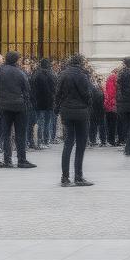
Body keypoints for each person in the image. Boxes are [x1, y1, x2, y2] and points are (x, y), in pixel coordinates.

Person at [0, 51, 35, 169]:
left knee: (1, 132)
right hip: (19, 106)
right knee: (20, 134)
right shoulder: (20, 72)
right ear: (16, 60)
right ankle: (21, 160)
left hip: (2, 105)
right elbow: (27, 89)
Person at [54, 53, 94, 187]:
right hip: (81, 111)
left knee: (68, 144)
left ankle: (65, 178)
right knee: (81, 145)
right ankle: (78, 176)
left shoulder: (63, 74)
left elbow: (57, 93)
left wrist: (57, 109)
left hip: (66, 111)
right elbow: (87, 93)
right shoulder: (83, 75)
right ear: (81, 63)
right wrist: (89, 105)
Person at [31, 59, 57, 148]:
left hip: (38, 102)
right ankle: (46, 141)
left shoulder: (35, 74)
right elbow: (55, 88)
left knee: (39, 122)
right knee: (47, 122)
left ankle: (39, 141)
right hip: (49, 102)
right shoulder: (52, 75)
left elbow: (32, 88)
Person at [104, 66, 120, 146]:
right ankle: (111, 140)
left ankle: (110, 139)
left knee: (110, 123)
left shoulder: (109, 78)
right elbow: (112, 93)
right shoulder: (113, 77)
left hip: (108, 104)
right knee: (113, 124)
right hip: (112, 105)